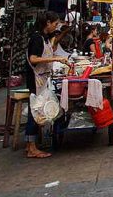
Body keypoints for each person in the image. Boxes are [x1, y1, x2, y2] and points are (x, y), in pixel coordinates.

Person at [25, 12, 70, 158]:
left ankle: (31, 145)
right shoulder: (37, 38)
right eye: (55, 24)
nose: (56, 27)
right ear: (47, 23)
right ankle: (31, 148)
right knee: (35, 112)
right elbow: (33, 59)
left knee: (37, 111)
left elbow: (49, 50)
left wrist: (58, 57)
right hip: (36, 80)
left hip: (43, 79)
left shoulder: (44, 37)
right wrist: (54, 59)